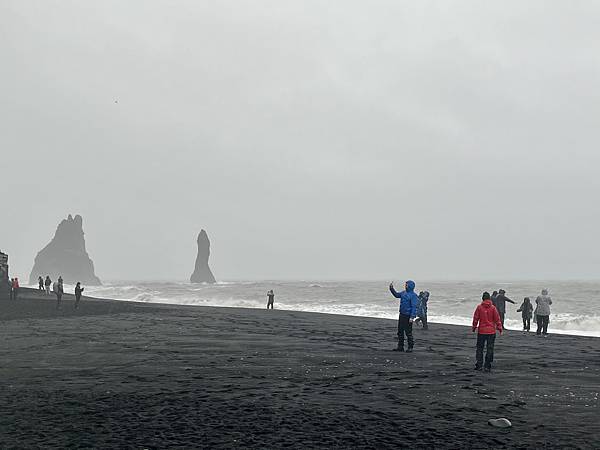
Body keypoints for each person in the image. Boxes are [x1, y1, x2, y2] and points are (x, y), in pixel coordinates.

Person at [472, 291, 502, 372]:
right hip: (491, 332)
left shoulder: (479, 307)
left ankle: (479, 364)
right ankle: (487, 365)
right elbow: (497, 319)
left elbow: (476, 318)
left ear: (482, 298)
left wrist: (474, 327)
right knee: (490, 348)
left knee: (480, 348)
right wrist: (499, 328)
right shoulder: (493, 308)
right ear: (489, 298)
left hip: (481, 331)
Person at [389, 280, 419, 352]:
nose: (405, 286)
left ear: (410, 286)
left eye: (406, 285)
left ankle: (410, 347)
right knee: (400, 331)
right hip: (402, 314)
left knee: (408, 332)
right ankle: (400, 347)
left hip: (408, 316)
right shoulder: (403, 293)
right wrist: (391, 289)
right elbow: (396, 295)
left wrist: (412, 317)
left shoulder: (413, 296)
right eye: (405, 285)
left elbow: (414, 307)